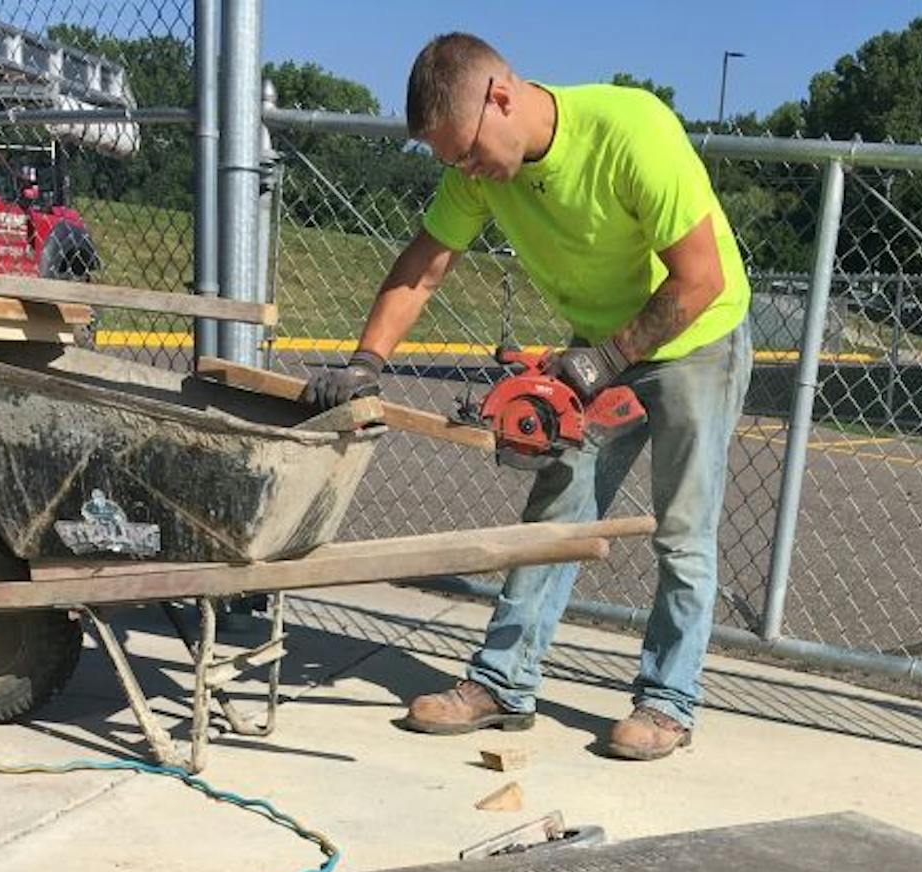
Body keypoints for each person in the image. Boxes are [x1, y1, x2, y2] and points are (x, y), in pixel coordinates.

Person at [303, 32, 752, 762]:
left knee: (682, 530)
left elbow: (698, 278)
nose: (466, 171)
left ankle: (668, 703)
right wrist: (364, 362)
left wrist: (603, 359)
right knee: (555, 513)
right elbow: (424, 266)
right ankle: (503, 682)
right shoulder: (480, 173)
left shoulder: (631, 130)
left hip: (695, 338)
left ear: (502, 96)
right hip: (599, 350)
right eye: (451, 162)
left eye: (468, 152)